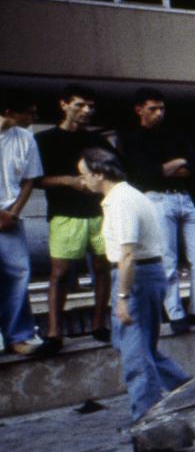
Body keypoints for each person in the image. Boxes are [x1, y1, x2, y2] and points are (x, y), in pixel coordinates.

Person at [77, 147, 189, 420]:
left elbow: (127, 254)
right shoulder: (125, 196)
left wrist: (123, 298)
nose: (81, 181)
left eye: (83, 175)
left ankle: (146, 419)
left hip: (136, 276)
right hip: (143, 274)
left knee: (136, 357)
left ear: (99, 174)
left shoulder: (121, 201)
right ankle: (189, 391)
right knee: (136, 347)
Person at [116, 88, 195, 334]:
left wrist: (166, 168)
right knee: (168, 259)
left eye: (162, 108)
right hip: (157, 200)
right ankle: (175, 313)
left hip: (183, 198)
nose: (158, 113)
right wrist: (177, 162)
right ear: (139, 110)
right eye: (153, 109)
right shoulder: (132, 139)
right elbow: (144, 175)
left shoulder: (175, 134)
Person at [36, 84, 114, 350]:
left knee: (103, 268)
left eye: (90, 106)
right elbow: (34, 180)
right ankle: (55, 332)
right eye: (80, 105)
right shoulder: (45, 140)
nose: (86, 111)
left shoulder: (98, 140)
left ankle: (99, 325)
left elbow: (116, 171)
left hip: (100, 212)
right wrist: (69, 181)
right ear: (64, 105)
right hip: (65, 214)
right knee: (60, 273)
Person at [0, 92, 47, 356]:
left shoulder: (26, 138)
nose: (34, 118)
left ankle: (18, 336)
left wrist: (13, 213)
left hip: (10, 215)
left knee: (18, 273)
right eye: (29, 112)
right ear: (9, 111)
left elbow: (29, 180)